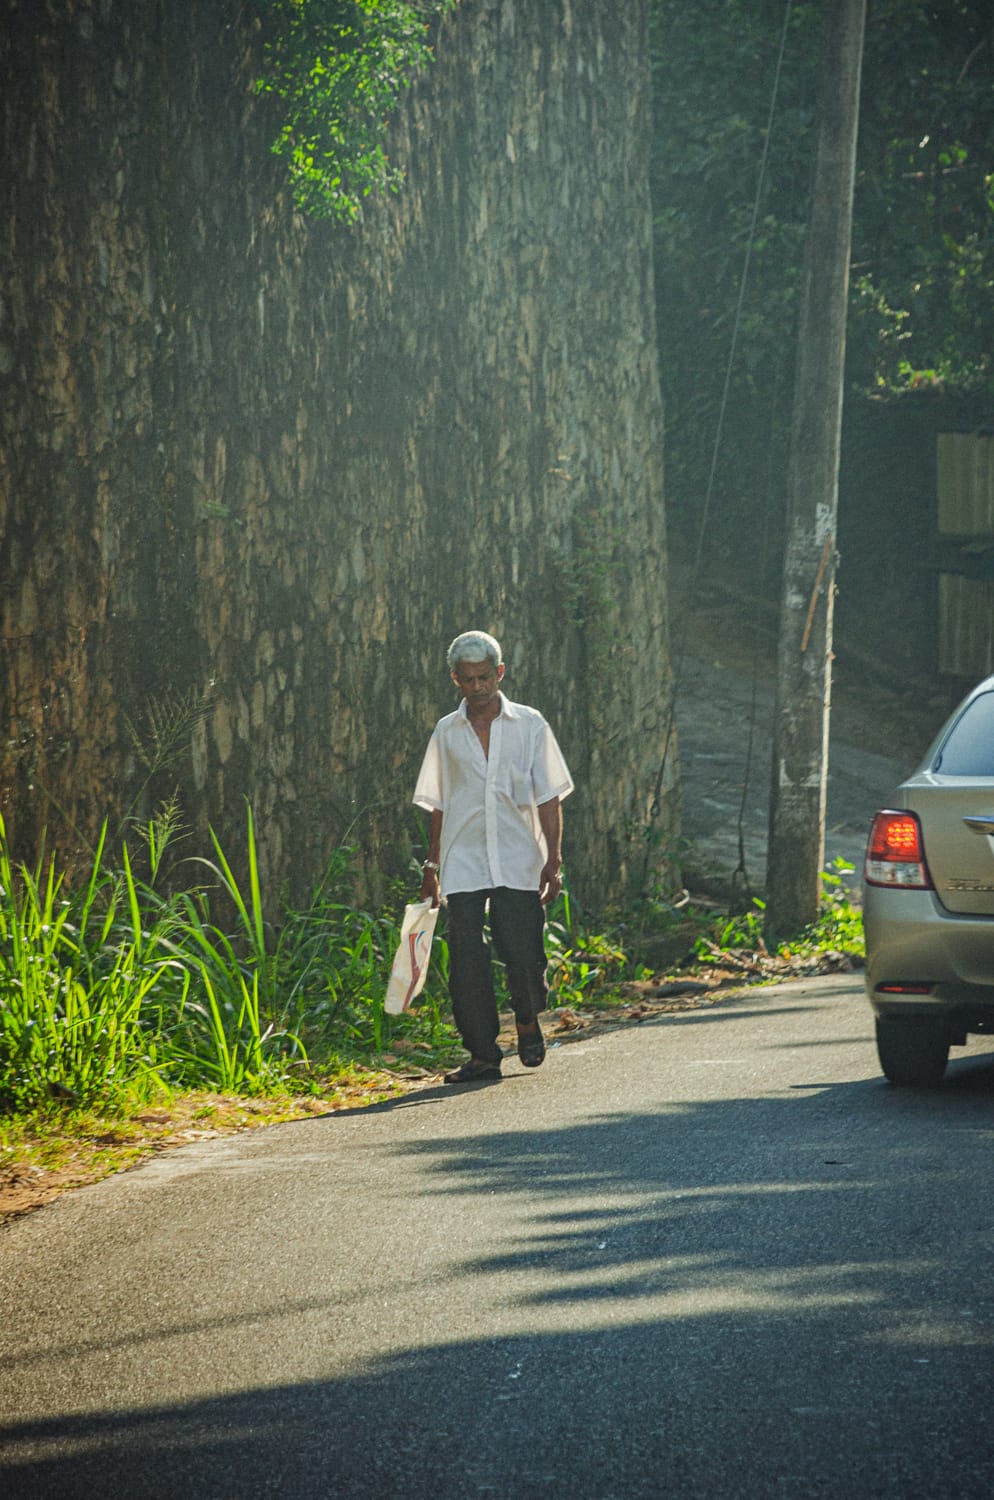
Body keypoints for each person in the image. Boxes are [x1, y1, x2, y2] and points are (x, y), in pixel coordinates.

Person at [413, 630, 574, 1084]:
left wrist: (553, 858)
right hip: (462, 858)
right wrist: (431, 866)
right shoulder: (446, 732)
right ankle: (482, 1054)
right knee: (466, 956)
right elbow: (438, 801)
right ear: (455, 679)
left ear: (499, 673)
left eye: (485, 677)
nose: (477, 687)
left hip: (518, 855)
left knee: (523, 952)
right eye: (467, 680)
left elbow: (548, 796)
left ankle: (526, 1020)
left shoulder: (530, 725)